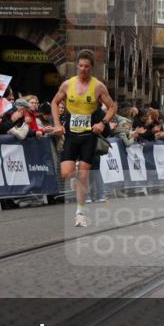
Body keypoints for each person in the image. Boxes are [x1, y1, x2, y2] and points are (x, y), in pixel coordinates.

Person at [51, 49, 117, 228]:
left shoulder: (98, 87)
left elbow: (112, 107)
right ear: (76, 66)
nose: (83, 69)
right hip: (72, 135)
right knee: (66, 173)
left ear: (92, 68)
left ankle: (79, 213)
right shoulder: (67, 84)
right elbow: (54, 102)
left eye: (86, 67)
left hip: (89, 136)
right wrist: (57, 124)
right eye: (80, 66)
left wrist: (103, 123)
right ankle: (77, 177)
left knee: (84, 176)